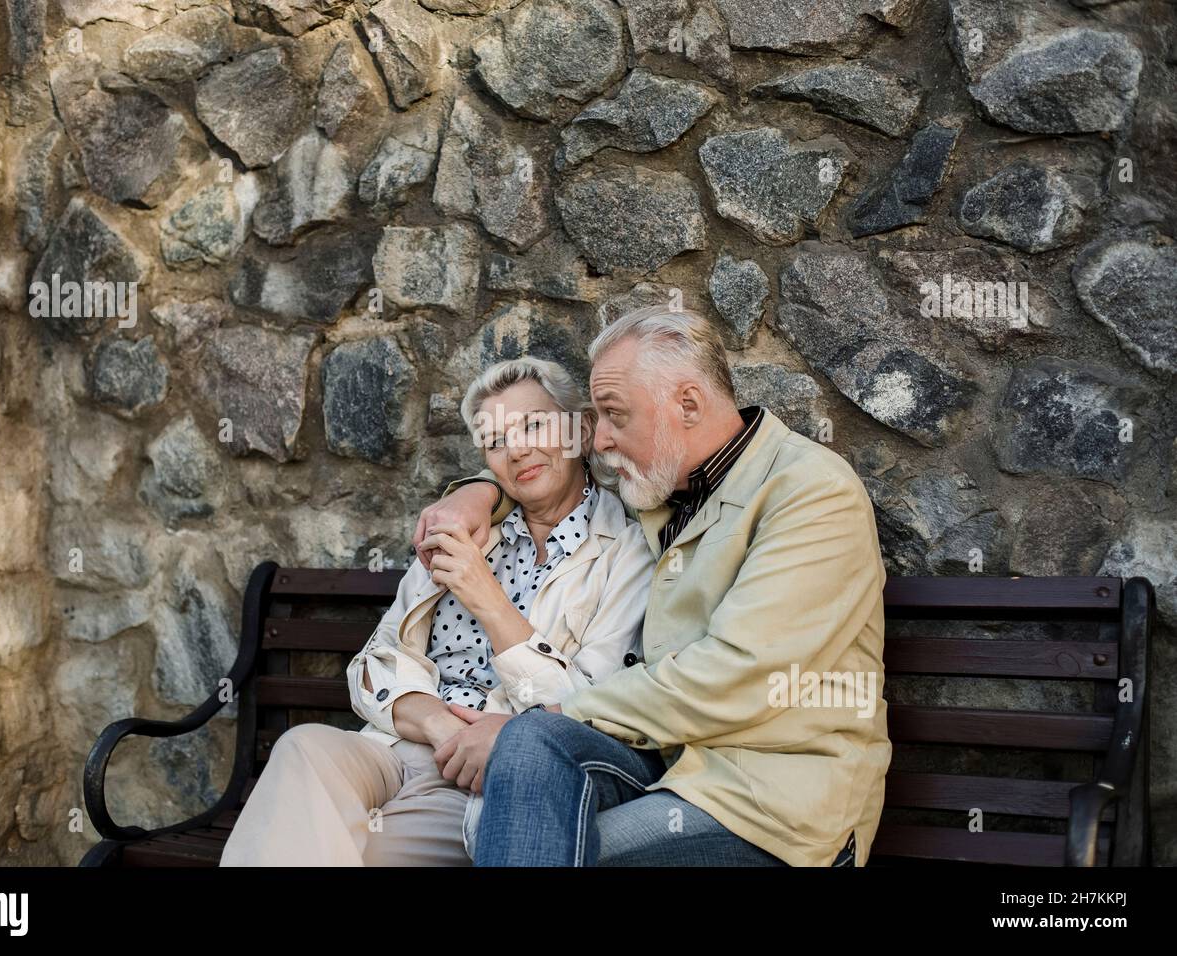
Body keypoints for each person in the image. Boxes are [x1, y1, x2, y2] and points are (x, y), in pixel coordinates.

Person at [413, 305, 890, 867]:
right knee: (530, 744)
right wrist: (479, 491)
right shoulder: (663, 488)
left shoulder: (809, 492)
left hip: (770, 807)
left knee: (546, 836)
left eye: (615, 416)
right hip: (667, 769)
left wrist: (562, 714)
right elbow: (550, 478)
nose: (604, 441)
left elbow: (737, 674)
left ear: (687, 404)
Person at [219, 357, 655, 865]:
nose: (516, 450)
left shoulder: (626, 551)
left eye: (534, 425)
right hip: (398, 746)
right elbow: (374, 662)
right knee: (303, 748)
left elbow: (582, 707)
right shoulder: (465, 530)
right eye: (495, 441)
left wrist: (485, 596)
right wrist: (436, 725)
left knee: (358, 852)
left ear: (581, 431)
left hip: (485, 778)